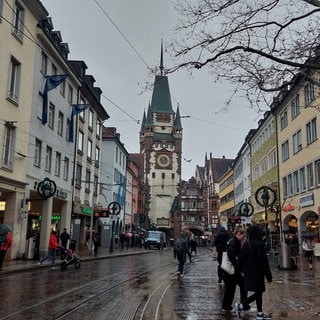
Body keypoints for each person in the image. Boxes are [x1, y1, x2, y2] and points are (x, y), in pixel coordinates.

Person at [235, 224, 272, 320]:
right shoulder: (260, 244)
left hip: (248, 272)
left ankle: (260, 313)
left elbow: (240, 259)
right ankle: (242, 305)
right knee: (259, 292)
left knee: (258, 292)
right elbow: (264, 262)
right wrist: (268, 275)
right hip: (258, 272)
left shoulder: (246, 244)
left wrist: (238, 271)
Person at [222, 227, 250, 312]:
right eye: (243, 236)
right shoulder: (234, 241)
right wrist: (237, 266)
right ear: (238, 234)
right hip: (233, 270)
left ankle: (228, 306)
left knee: (232, 287)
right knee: (234, 287)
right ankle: (240, 305)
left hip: (233, 270)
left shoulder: (235, 241)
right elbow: (232, 255)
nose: (244, 238)